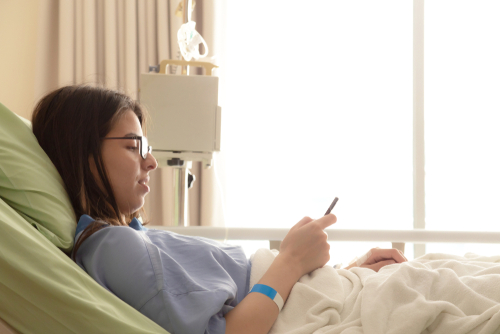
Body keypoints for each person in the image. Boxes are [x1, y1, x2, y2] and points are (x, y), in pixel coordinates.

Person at [31, 85, 407, 334]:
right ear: (80, 152)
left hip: (312, 293)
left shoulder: (133, 237)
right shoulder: (114, 247)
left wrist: (342, 273)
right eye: (133, 147)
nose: (151, 163)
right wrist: (292, 259)